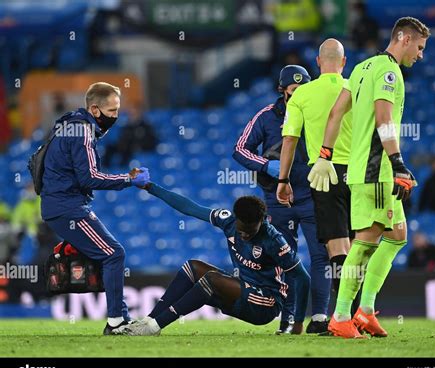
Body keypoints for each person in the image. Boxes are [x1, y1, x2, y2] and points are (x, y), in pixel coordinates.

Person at [310, 17, 430, 338]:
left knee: (397, 234)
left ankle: (364, 311)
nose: (420, 55)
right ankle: (340, 316)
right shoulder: (389, 72)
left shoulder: (361, 69)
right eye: (419, 47)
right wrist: (398, 162)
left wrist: (325, 155)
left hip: (371, 170)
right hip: (376, 171)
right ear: (403, 39)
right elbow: (383, 117)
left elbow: (336, 113)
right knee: (365, 242)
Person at [112, 183, 310, 336]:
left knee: (212, 280)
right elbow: (189, 208)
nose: (245, 236)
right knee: (193, 267)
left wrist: (295, 321)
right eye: (241, 231)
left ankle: (154, 327)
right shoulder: (228, 221)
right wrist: (151, 187)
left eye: (250, 232)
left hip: (265, 303)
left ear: (263, 221)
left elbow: (301, 278)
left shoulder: (274, 240)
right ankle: (147, 322)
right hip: (243, 290)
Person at [40, 82, 151, 335]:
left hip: (60, 205)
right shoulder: (82, 131)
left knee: (107, 254)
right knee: (113, 253)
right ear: (94, 108)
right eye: (111, 111)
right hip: (67, 207)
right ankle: (116, 322)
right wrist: (128, 179)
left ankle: (119, 317)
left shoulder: (69, 125)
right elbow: (89, 177)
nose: (115, 116)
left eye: (117, 110)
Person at [233, 65, 330, 335]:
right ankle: (287, 321)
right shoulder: (265, 117)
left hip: (314, 195)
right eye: (293, 91)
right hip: (277, 199)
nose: (298, 96)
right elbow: (239, 149)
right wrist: (266, 165)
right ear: (282, 91)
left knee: (320, 256)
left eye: (303, 90)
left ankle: (320, 316)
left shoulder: (318, 113)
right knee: (283, 259)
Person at [277, 39, 355, 325]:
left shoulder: (302, 95)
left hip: (324, 173)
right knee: (360, 246)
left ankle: (346, 316)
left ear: (319, 63)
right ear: (343, 62)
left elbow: (289, 140)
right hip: (359, 173)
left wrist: (283, 179)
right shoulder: (355, 88)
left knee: (337, 248)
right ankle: (359, 313)